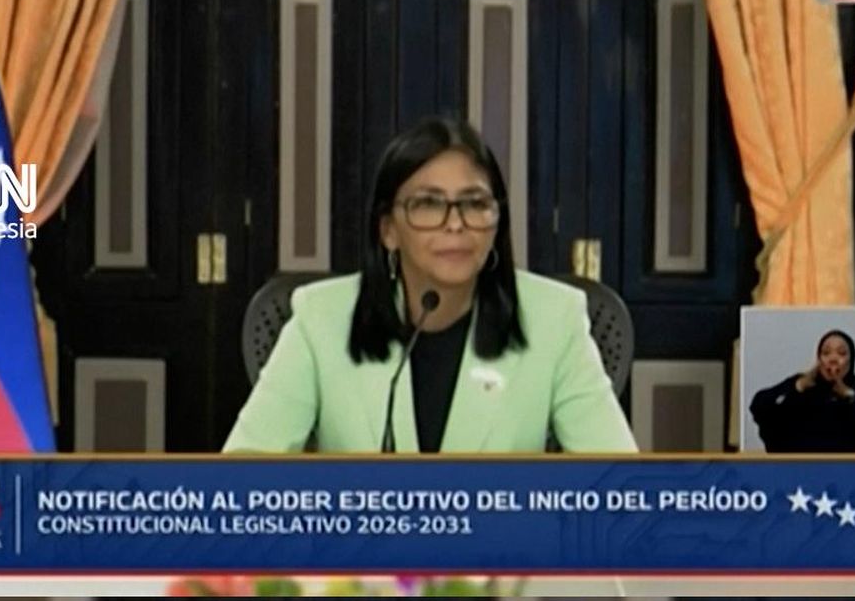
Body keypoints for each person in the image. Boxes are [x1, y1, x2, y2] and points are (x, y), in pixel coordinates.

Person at [223, 117, 636, 453]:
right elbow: (246, 470)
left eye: (475, 203)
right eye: (428, 204)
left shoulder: (555, 318)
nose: (455, 224)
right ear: (388, 229)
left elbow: (617, 485)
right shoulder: (321, 318)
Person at [750, 329, 855, 452]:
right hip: (801, 468)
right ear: (818, 360)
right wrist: (798, 386)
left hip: (850, 469)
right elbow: (759, 407)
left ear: (851, 360)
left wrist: (849, 395)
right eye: (826, 353)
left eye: (841, 353)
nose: (833, 359)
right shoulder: (802, 385)